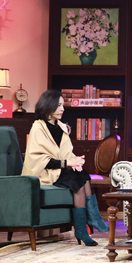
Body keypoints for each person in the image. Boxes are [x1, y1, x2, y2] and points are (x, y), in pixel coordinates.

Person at [22, 89, 108, 247]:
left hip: (59, 171)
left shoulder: (61, 127)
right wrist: (67, 163)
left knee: (81, 173)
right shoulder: (38, 127)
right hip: (43, 173)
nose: (62, 109)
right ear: (48, 106)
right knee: (78, 179)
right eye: (58, 105)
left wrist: (75, 161)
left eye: (62, 105)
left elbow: (67, 153)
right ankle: (87, 224)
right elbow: (39, 160)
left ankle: (86, 224)